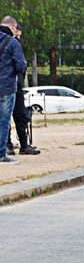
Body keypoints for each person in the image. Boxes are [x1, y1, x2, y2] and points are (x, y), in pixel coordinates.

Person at [6, 23, 38, 155]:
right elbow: (20, 65)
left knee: (7, 117)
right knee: (16, 115)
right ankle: (21, 145)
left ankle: (8, 145)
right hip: (13, 84)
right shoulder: (13, 43)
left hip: (9, 84)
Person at [0, 15, 27, 164]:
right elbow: (20, 66)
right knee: (4, 121)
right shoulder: (12, 42)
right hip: (6, 86)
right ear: (12, 27)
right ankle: (1, 154)